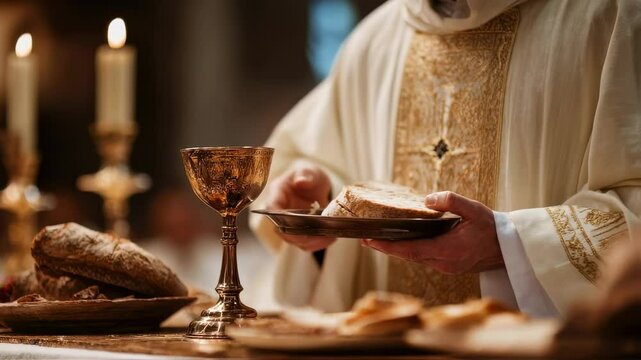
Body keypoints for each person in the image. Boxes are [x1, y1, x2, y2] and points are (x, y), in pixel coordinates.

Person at [249, 0, 641, 317]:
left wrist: (511, 244)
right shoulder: (376, 37)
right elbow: (309, 162)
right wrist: (317, 202)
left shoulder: (611, 17)